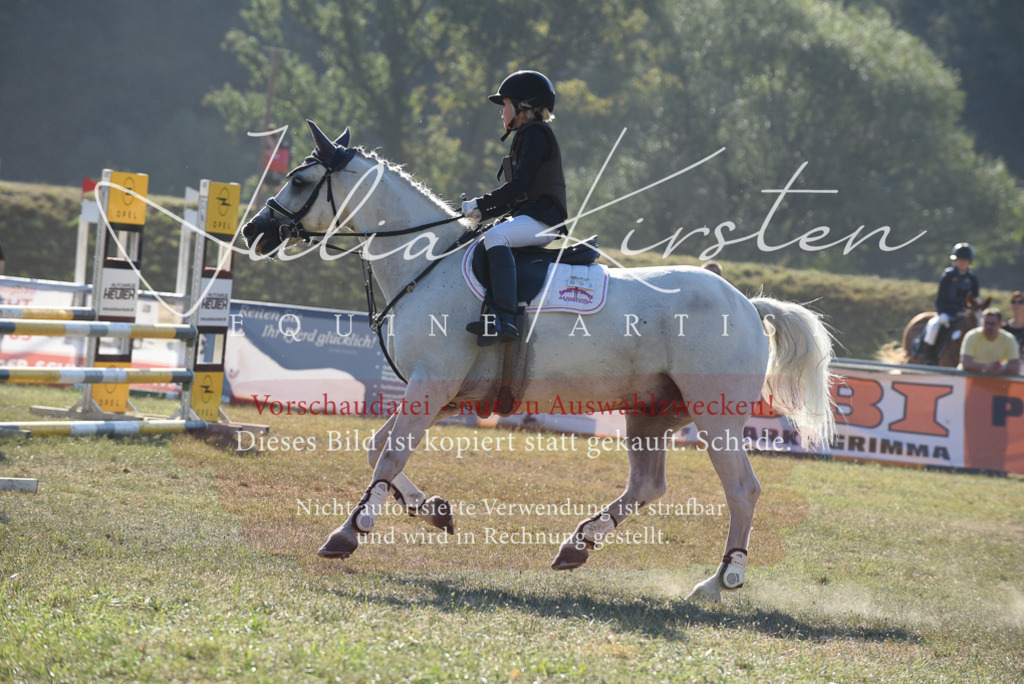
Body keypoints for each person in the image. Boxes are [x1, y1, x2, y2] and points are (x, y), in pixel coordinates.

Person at [462, 70, 568, 346]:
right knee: (488, 234)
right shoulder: (527, 135)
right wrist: (481, 214)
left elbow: (519, 187)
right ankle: (491, 312)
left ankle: (505, 319)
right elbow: (516, 197)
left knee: (496, 237)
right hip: (531, 216)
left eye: (505, 106)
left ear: (523, 106)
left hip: (543, 220)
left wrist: (479, 204)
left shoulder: (535, 134)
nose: (501, 113)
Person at [919, 242, 980, 364]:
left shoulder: (972, 279)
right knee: (933, 327)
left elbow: (975, 299)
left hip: (964, 314)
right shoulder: (948, 276)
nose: (961, 262)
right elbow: (940, 298)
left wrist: (970, 311)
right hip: (946, 312)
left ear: (969, 261)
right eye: (958, 259)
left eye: (964, 260)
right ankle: (929, 357)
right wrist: (942, 313)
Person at [958, 308, 1020, 375]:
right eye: (986, 323)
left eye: (992, 324)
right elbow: (966, 363)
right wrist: (985, 367)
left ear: (1000, 324)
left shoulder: (1009, 339)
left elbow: (1015, 366)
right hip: (968, 381)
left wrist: (1002, 368)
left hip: (994, 382)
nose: (988, 327)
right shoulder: (971, 336)